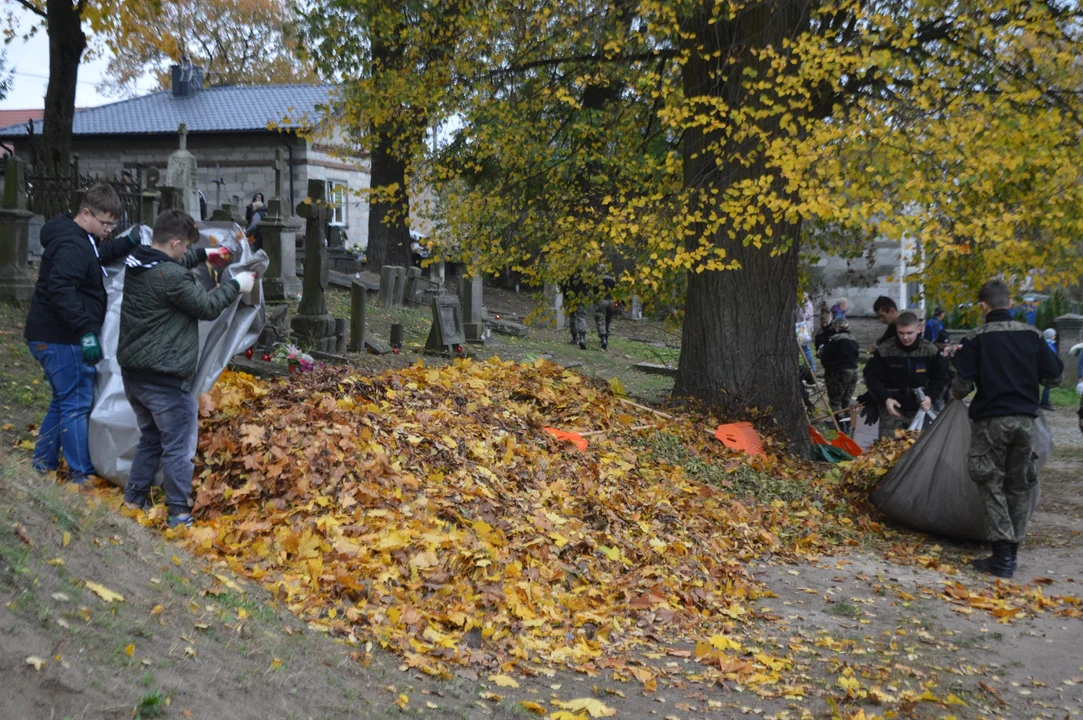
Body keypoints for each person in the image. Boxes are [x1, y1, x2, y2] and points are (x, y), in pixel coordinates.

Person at [116, 210, 256, 528]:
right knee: (178, 448)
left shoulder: (139, 262)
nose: (183, 253)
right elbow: (206, 307)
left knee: (151, 438)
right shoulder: (169, 276)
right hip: (164, 379)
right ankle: (178, 514)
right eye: (184, 247)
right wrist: (237, 283)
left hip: (134, 376)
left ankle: (133, 500)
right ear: (175, 242)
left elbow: (174, 262)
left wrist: (206, 253)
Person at [24, 184, 140, 485]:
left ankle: (42, 462)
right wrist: (86, 333)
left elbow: (97, 257)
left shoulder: (79, 238)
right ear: (86, 213)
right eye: (106, 224)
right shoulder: (72, 245)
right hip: (61, 337)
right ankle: (81, 474)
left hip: (51, 333)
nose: (109, 230)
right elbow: (61, 291)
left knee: (63, 400)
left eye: (114, 225)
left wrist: (128, 242)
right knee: (76, 403)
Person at [951, 279, 1063, 578]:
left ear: (983, 306)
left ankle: (1001, 558)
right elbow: (1054, 379)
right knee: (1019, 484)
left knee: (991, 483)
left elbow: (961, 388)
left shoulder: (975, 339)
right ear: (1010, 304)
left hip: (990, 423)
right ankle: (1011, 553)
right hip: (1027, 422)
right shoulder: (1034, 336)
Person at [863, 311, 949, 438]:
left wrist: (931, 397)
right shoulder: (885, 350)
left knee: (921, 450)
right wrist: (885, 398)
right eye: (901, 333)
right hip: (892, 409)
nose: (905, 337)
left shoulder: (930, 350)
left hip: (921, 408)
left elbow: (942, 377)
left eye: (909, 333)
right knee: (888, 450)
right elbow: (871, 377)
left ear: (919, 329)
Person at [819, 318, 860, 433]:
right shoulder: (853, 340)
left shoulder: (835, 340)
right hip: (854, 371)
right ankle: (848, 422)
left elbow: (822, 354)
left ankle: (840, 425)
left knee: (835, 401)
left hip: (839, 372)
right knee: (846, 399)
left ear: (836, 327)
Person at [1040, 329, 1057, 411]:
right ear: (1050, 336)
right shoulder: (1049, 344)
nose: (1055, 337)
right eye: (1054, 335)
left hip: (1041, 367)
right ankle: (1044, 402)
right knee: (1048, 385)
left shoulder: (1042, 343)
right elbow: (1052, 357)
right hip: (1047, 367)